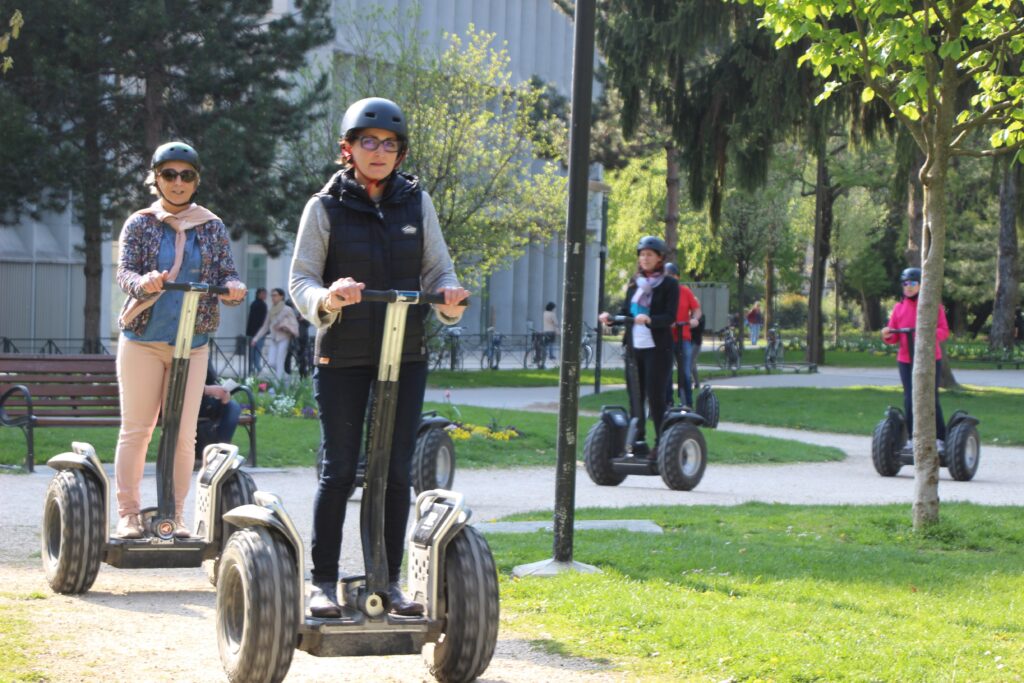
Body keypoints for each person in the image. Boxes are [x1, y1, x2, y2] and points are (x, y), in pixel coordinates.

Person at [289, 97, 469, 618]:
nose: (379, 152)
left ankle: (387, 582)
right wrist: (327, 297)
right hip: (343, 354)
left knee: (394, 472)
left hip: (404, 354)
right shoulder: (323, 207)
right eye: (368, 141)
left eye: (389, 145)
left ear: (400, 153)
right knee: (340, 469)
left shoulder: (418, 203)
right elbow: (300, 279)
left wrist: (451, 297)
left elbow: (439, 272)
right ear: (347, 149)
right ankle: (321, 581)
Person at [113, 141, 246, 539]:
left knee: (184, 430)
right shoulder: (140, 223)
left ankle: (175, 515)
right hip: (144, 340)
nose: (177, 182)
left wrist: (234, 286)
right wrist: (144, 282)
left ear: (196, 180)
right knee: (137, 429)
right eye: (169, 174)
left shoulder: (212, 226)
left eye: (186, 175)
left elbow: (227, 273)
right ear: (156, 179)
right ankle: (129, 513)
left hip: (194, 342)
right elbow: (125, 274)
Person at [598, 235, 679, 450]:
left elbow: (670, 316)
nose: (645, 258)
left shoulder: (670, 284)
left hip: (658, 348)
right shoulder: (634, 284)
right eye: (642, 255)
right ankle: (638, 440)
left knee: (655, 397)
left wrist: (651, 320)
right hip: (635, 348)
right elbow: (627, 312)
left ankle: (662, 443)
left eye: (649, 255)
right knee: (635, 395)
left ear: (660, 258)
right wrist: (611, 318)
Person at [881, 267, 948, 450]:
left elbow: (943, 331)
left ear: (920, 285)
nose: (908, 287)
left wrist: (927, 334)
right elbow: (893, 336)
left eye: (912, 283)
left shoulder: (932, 306)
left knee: (930, 398)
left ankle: (939, 438)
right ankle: (912, 438)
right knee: (910, 398)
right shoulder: (898, 308)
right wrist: (887, 334)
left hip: (929, 359)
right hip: (905, 359)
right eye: (905, 284)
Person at [663, 263, 701, 408]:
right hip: (666, 337)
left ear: (677, 277)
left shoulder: (685, 292)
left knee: (685, 370)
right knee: (666, 372)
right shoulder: (662, 293)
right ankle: (668, 402)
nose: (668, 279)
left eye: (671, 276)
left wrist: (694, 319)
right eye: (665, 276)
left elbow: (697, 310)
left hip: (683, 336)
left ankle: (686, 402)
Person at [195, 360, 243, 469]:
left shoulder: (202, 352)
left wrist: (222, 392)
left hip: (205, 400)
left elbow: (211, 379)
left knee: (232, 407)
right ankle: (217, 455)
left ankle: (222, 452)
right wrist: (207, 390)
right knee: (229, 408)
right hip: (185, 402)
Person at [251, 288, 299, 379]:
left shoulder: (287, 309)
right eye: (272, 295)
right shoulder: (271, 310)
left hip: (284, 338)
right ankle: (285, 378)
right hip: (274, 339)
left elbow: (295, 325)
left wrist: (285, 326)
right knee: (271, 362)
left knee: (280, 362)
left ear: (281, 297)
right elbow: (265, 327)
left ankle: (278, 388)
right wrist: (256, 338)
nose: (273, 297)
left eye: (275, 295)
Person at [246, 288, 268, 374]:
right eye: (263, 293)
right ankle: (258, 369)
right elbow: (260, 321)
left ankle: (252, 369)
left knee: (253, 353)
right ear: (259, 294)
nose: (265, 296)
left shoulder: (254, 304)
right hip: (258, 333)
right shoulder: (261, 305)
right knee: (256, 352)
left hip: (253, 332)